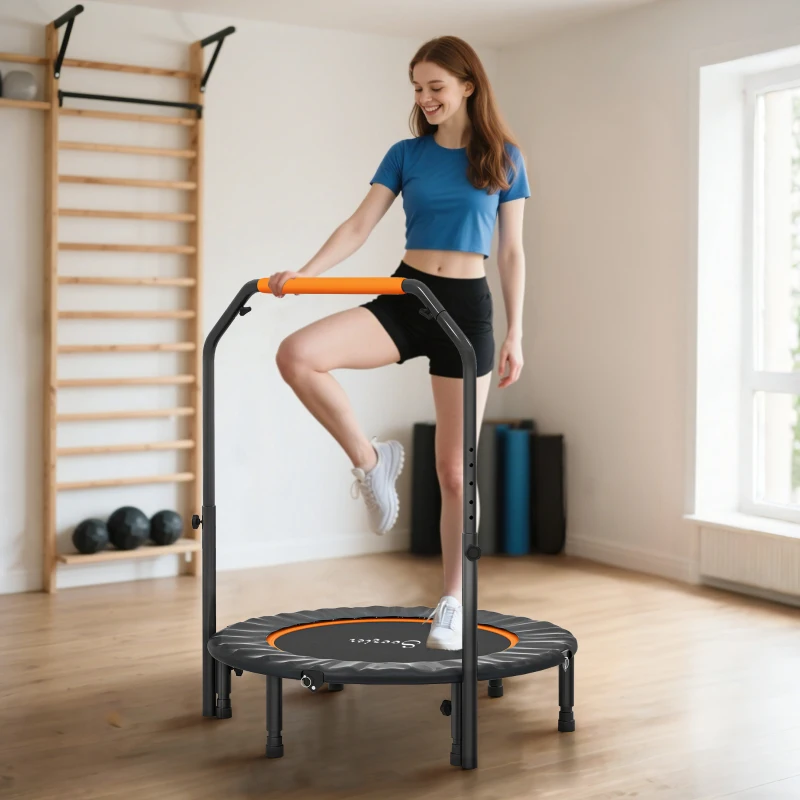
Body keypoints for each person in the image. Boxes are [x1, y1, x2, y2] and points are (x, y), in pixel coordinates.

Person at [267, 36, 529, 651]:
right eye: (417, 88)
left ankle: (452, 604)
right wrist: (306, 274)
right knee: (297, 355)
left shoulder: (504, 157)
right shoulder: (406, 154)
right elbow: (360, 225)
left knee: (453, 473)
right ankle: (370, 460)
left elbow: (512, 251)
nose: (425, 98)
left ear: (468, 85)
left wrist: (516, 330)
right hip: (408, 297)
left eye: (435, 86)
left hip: (467, 312)